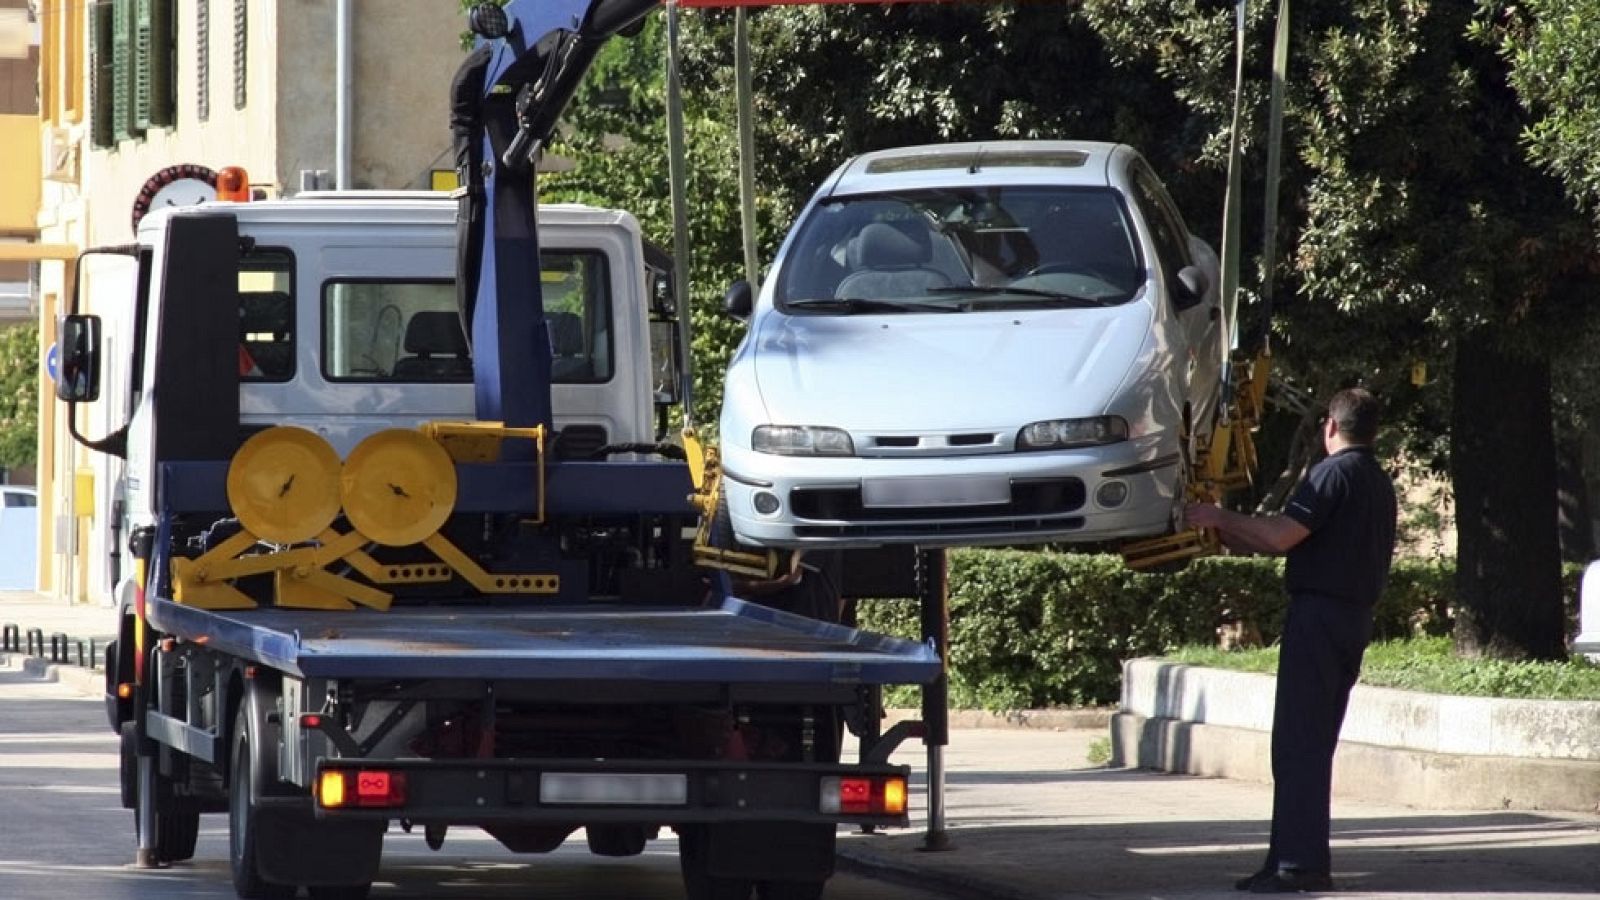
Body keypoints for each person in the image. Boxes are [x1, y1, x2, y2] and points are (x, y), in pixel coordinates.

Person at [1185, 387, 1398, 894]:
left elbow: (1280, 535)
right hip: (1351, 618)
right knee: (1307, 743)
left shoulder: (1332, 473)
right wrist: (1229, 531)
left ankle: (1298, 866)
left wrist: (1218, 518)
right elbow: (1279, 541)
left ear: (1329, 425)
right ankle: (1284, 857)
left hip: (1320, 617)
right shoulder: (1377, 480)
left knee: (1299, 743)